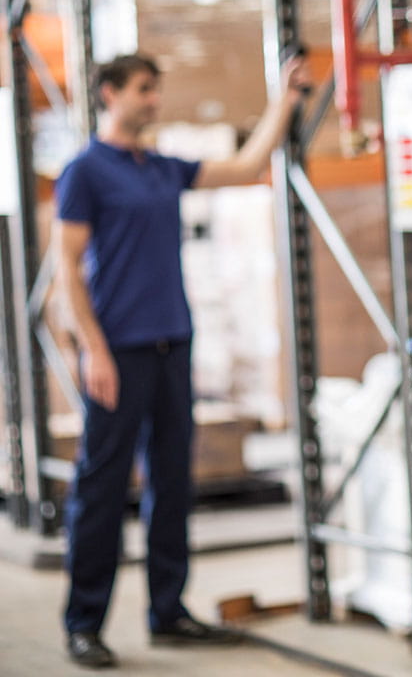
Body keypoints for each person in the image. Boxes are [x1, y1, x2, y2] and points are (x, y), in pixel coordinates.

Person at [53, 51, 311, 669]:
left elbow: (248, 166)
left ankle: (167, 612)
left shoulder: (162, 167)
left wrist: (285, 99)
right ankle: (83, 623)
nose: (153, 101)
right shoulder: (85, 172)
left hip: (173, 342)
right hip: (119, 351)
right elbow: (67, 272)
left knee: (172, 483)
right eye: (143, 90)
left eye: (155, 91)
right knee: (103, 485)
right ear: (111, 94)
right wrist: (93, 349)